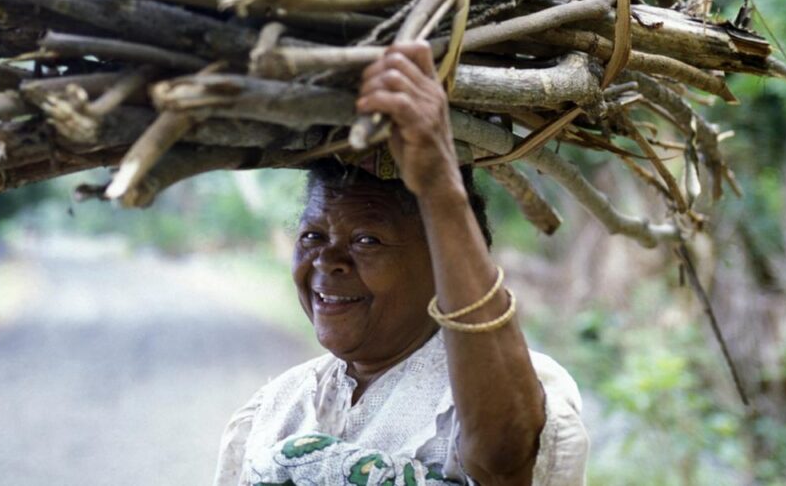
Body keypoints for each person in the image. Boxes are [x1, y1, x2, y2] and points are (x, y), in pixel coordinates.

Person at [213, 42, 588, 485]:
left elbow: (504, 460)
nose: (328, 261)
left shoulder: (508, 393)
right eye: (313, 236)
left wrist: (438, 184)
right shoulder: (276, 409)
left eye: (367, 240)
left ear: (441, 264)